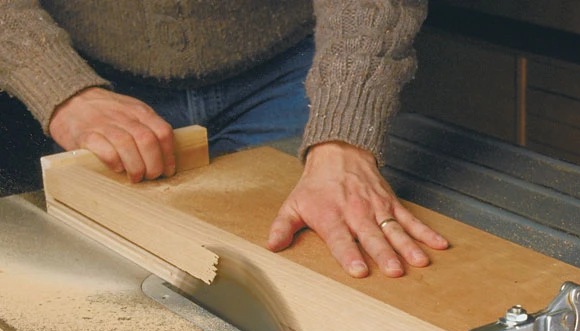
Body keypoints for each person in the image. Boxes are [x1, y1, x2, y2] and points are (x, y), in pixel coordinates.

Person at [0, 0, 448, 278]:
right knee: (118, 287)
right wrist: (57, 86)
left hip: (289, 71)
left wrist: (345, 135)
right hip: (94, 85)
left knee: (313, 263)